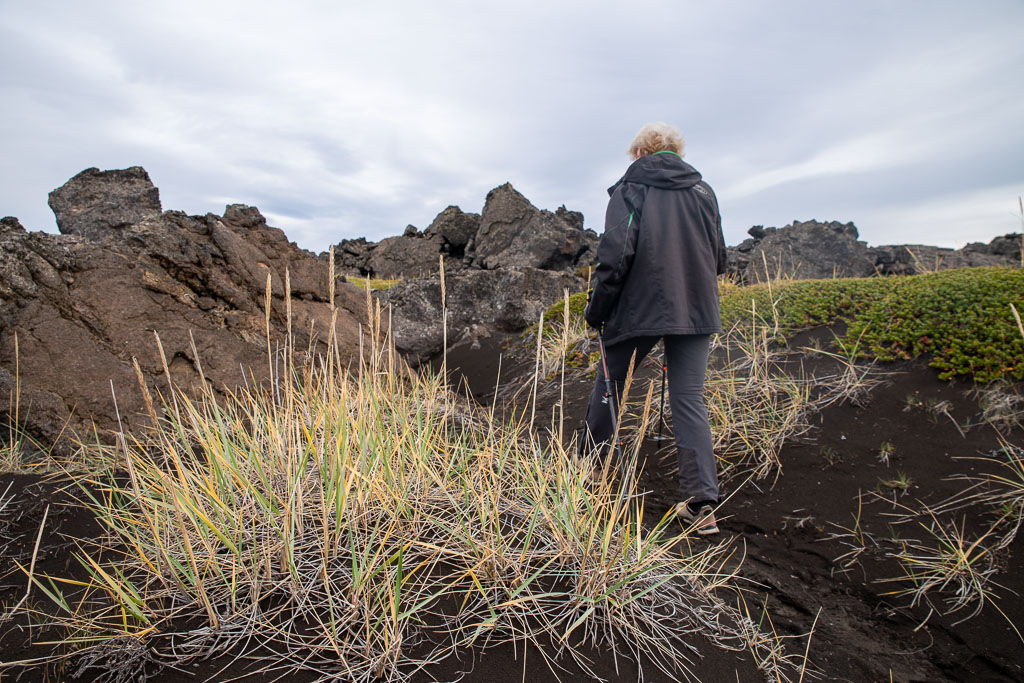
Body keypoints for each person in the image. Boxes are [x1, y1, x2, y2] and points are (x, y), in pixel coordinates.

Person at [582, 122, 726, 535]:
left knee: (611, 381)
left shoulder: (631, 187)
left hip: (640, 308)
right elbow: (719, 257)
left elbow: (615, 255)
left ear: (640, 153)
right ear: (675, 152)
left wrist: (597, 310)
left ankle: (591, 472)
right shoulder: (704, 192)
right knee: (689, 400)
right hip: (697, 309)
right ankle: (702, 506)